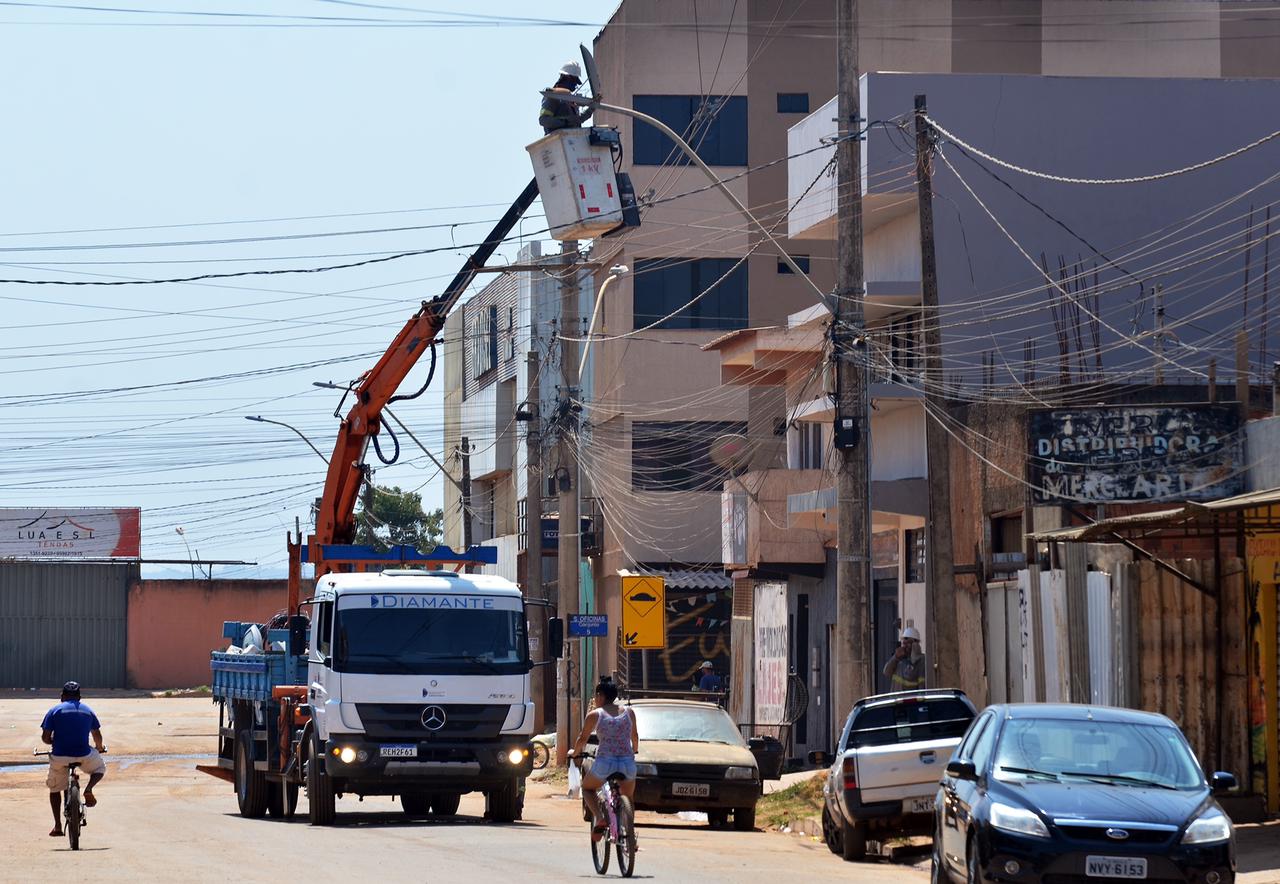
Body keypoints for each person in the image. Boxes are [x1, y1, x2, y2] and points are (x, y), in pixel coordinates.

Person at [569, 679, 638, 842]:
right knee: (628, 799)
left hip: (605, 763)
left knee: (587, 788)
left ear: (600, 696)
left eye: (596, 696)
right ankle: (630, 836)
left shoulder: (595, 715)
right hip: (627, 763)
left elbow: (582, 739)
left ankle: (600, 817)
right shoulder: (629, 712)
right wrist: (634, 750)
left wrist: (575, 753)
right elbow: (634, 736)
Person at [40, 681, 107, 837]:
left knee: (55, 788)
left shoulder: (54, 711)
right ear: (80, 697)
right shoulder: (88, 711)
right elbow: (97, 736)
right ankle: (89, 788)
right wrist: (99, 748)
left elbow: (45, 737)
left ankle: (57, 826)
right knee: (99, 769)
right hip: (84, 754)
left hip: (60, 756)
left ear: (62, 697)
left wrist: (53, 742)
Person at [539, 61, 593, 134]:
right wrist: (565, 122)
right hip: (557, 140)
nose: (575, 85)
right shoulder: (552, 96)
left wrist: (592, 107)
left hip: (572, 140)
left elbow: (578, 119)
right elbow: (544, 120)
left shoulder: (571, 100)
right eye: (574, 81)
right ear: (565, 78)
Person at [882, 626, 926, 690]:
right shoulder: (898, 659)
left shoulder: (921, 660)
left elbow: (922, 684)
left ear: (915, 644)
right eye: (904, 643)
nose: (905, 646)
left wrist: (915, 653)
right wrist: (895, 657)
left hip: (910, 698)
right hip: (897, 698)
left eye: (908, 643)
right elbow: (886, 672)